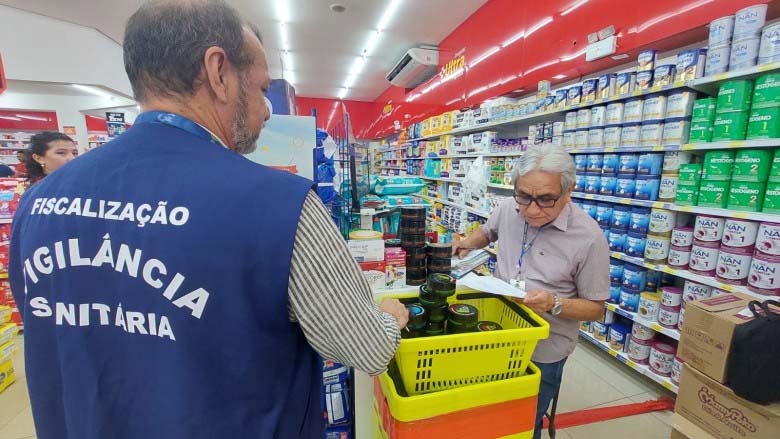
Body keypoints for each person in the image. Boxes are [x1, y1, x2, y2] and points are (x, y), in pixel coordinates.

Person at [10, 1, 408, 438]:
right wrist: (390, 315)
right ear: (218, 72)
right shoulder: (279, 204)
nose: (267, 109)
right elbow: (367, 347)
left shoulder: (41, 202)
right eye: (259, 88)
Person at [453, 146, 609, 439]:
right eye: (524, 196)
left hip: (544, 348)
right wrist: (464, 243)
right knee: (487, 413)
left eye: (546, 199)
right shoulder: (509, 208)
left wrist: (555, 303)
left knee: (521, 423)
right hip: (497, 332)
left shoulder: (589, 238)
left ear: (569, 190)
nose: (532, 209)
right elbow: (488, 232)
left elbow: (596, 308)